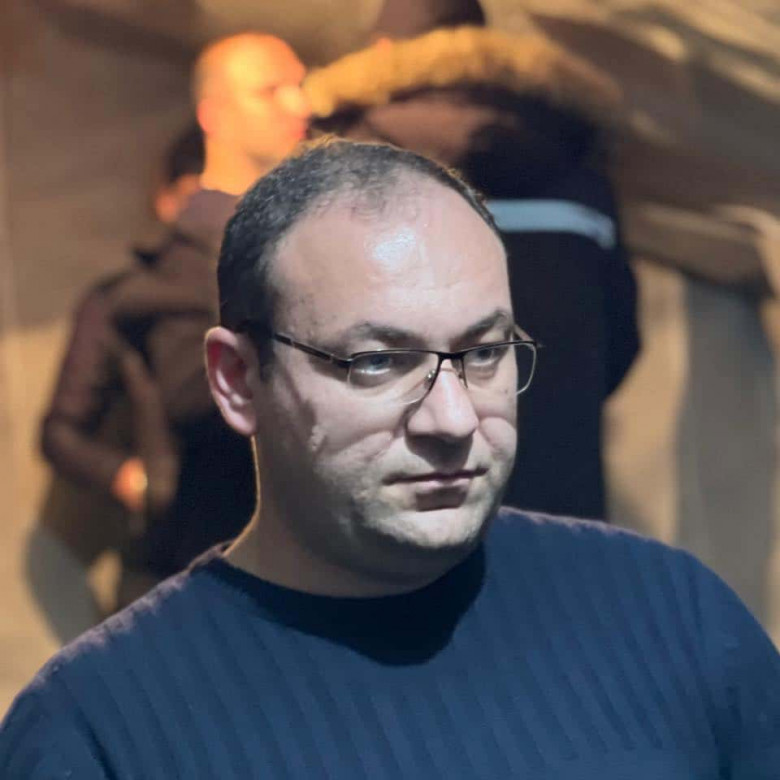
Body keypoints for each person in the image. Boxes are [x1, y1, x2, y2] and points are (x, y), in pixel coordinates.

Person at [2, 139, 778, 777]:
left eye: (484, 352)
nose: (453, 419)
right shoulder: (99, 732)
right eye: (377, 363)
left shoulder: (672, 616)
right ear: (237, 380)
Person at [306, 0, 639, 519]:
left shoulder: (349, 158)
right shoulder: (577, 161)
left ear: (384, 52)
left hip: (401, 496)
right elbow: (621, 342)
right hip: (557, 494)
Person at [36, 32, 310, 612]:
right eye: (271, 90)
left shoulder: (297, 237)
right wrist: (132, 480)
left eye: (300, 85)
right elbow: (191, 399)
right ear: (215, 113)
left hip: (288, 559)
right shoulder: (166, 270)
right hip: (196, 562)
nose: (299, 104)